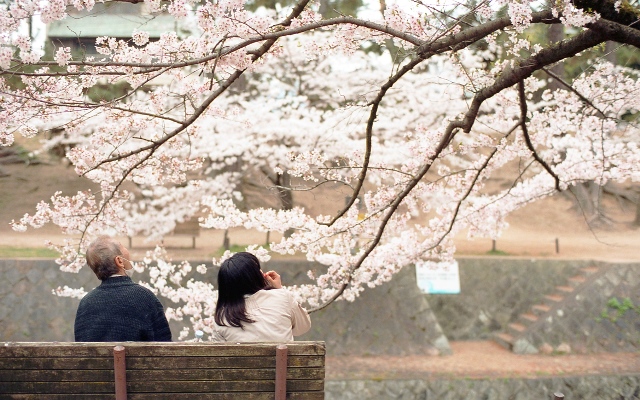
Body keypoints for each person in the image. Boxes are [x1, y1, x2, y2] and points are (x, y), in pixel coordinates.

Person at [74, 235, 172, 342]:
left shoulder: (85, 303)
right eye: (123, 247)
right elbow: (164, 343)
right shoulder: (144, 297)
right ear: (119, 261)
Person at [213, 252, 311, 342]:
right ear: (256, 276)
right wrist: (279, 290)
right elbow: (303, 327)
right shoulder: (282, 297)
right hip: (282, 361)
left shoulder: (222, 318)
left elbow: (218, 358)